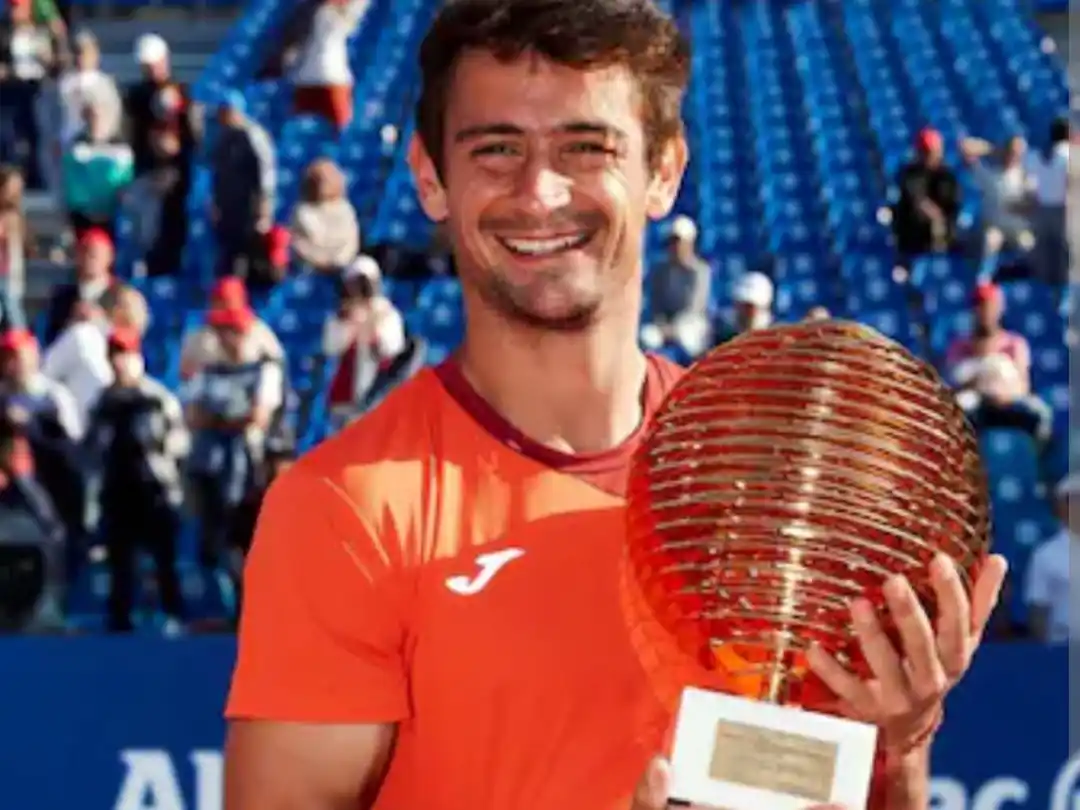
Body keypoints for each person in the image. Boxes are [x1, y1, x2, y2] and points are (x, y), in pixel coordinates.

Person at [224, 3, 1007, 810]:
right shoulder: (344, 512)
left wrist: (898, 747)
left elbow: (820, 786)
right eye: (496, 149)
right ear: (430, 177)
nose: (540, 192)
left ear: (664, 170)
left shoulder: (771, 486)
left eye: (587, 147)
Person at [83, 326, 187, 633]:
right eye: (114, 355)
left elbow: (179, 441)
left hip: (154, 487)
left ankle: (172, 612)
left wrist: (161, 459)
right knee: (121, 560)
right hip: (117, 488)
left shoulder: (156, 398)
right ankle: (119, 618)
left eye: (125, 354)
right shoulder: (102, 402)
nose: (120, 362)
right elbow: (90, 446)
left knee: (163, 557)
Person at [891, 127, 960, 263]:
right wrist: (935, 217)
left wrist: (942, 222)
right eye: (926, 151)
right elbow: (916, 199)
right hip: (913, 234)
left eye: (933, 151)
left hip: (945, 233)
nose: (930, 155)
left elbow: (953, 203)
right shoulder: (910, 173)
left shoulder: (947, 175)